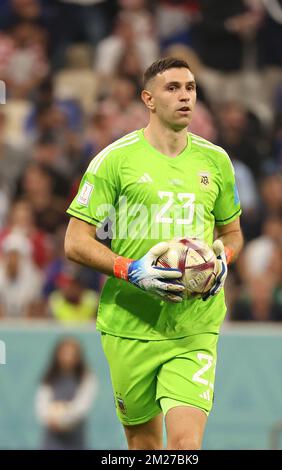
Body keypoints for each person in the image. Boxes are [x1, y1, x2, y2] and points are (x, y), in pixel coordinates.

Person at [64, 57, 243, 450]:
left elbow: (231, 233)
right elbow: (75, 242)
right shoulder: (114, 160)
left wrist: (223, 260)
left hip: (193, 326)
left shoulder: (216, 161)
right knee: (145, 447)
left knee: (184, 447)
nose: (185, 96)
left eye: (191, 88)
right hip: (129, 324)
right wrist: (132, 270)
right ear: (148, 98)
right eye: (173, 88)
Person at [35, 337, 97, 450]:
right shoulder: (49, 378)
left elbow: (82, 406)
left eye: (71, 354)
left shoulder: (86, 378)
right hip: (51, 439)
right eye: (64, 353)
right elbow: (42, 404)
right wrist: (50, 419)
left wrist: (64, 420)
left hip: (75, 438)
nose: (67, 358)